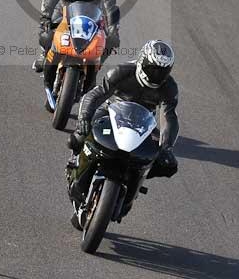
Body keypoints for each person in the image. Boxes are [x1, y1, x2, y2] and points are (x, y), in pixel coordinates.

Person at [74, 39, 179, 176]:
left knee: (167, 164)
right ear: (142, 60)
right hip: (111, 112)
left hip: (144, 123)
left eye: (162, 71)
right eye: (152, 69)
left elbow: (169, 117)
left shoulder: (169, 87)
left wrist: (167, 147)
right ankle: (76, 162)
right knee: (78, 137)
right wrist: (84, 118)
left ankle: (134, 180)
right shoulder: (122, 71)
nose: (156, 75)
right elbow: (95, 95)